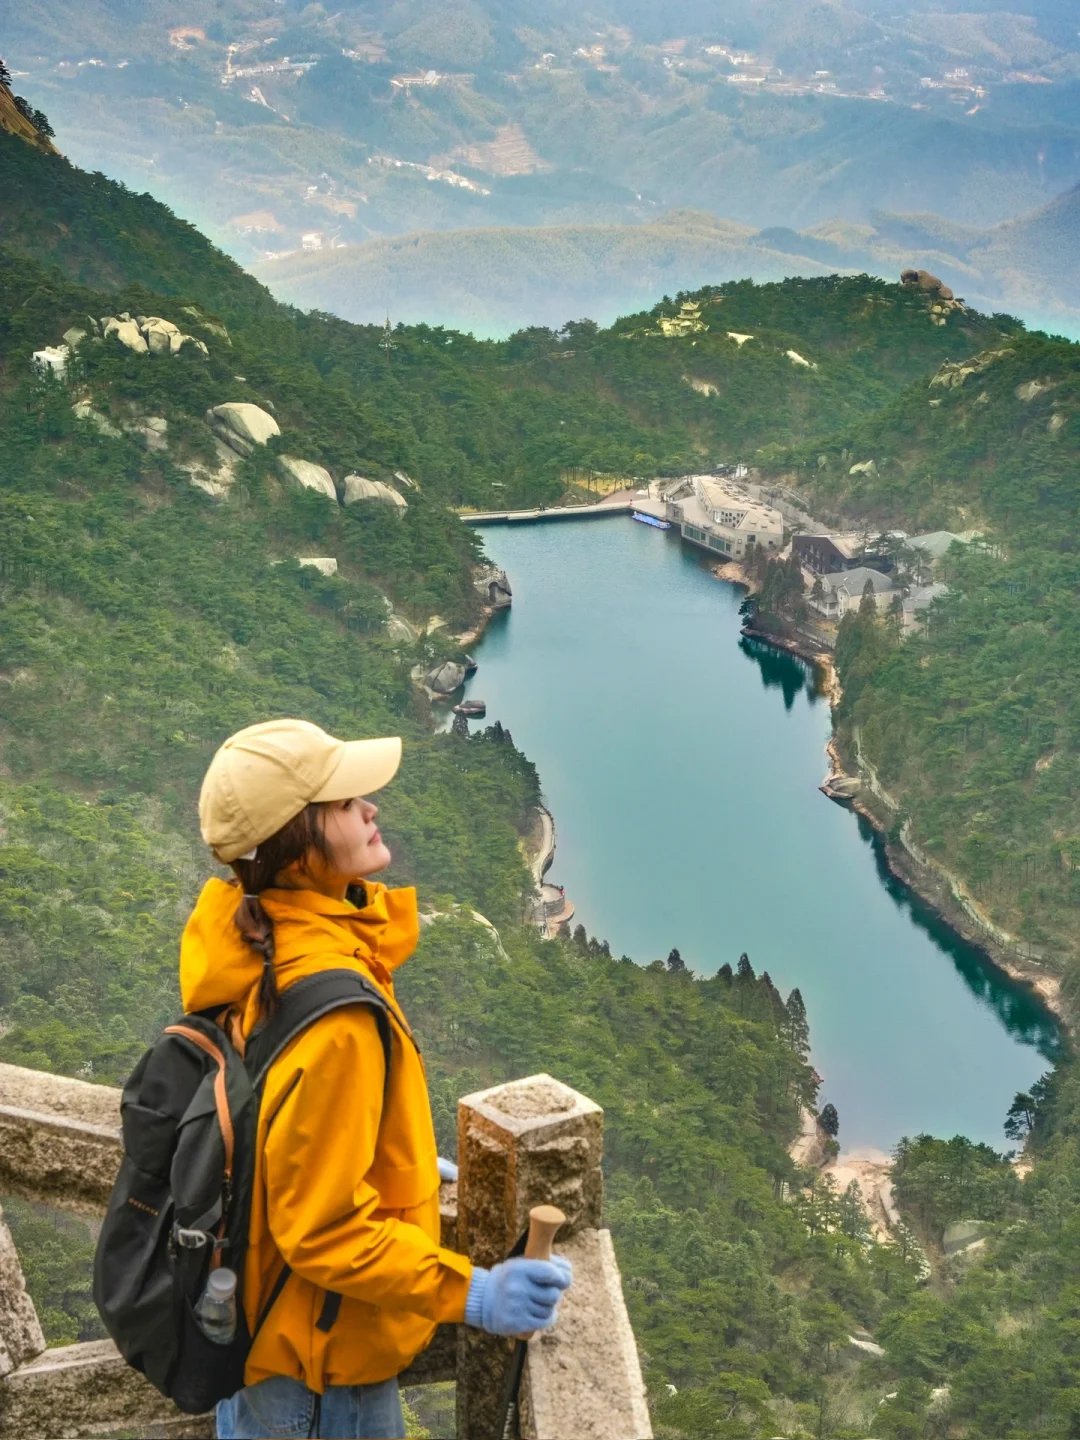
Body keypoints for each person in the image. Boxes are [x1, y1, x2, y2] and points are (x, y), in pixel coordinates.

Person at [186, 718, 572, 1439]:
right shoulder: (335, 1014)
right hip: (320, 1382)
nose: (371, 808)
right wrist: (478, 1293)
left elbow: (276, 1123)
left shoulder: (256, 943)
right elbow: (322, 1230)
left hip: (261, 1343)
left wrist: (390, 1164)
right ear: (295, 844)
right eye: (342, 802)